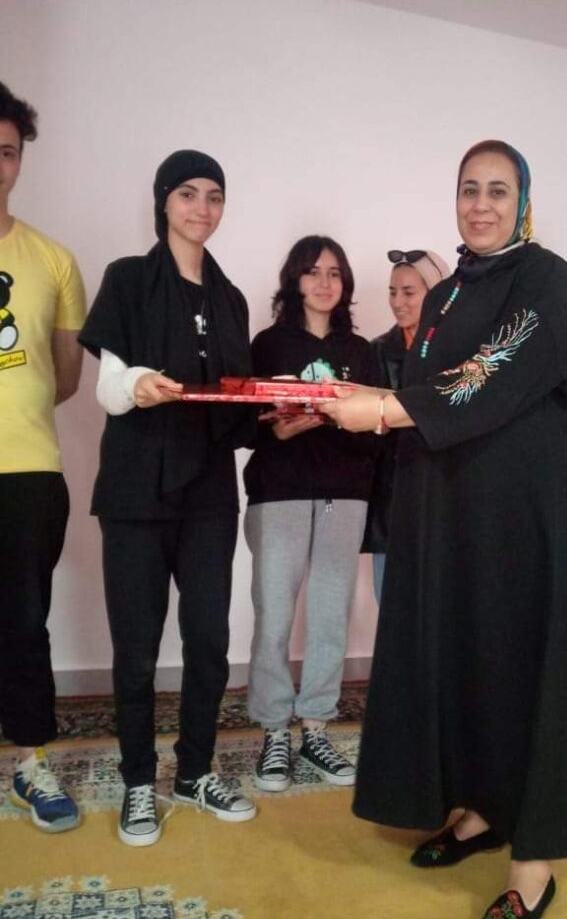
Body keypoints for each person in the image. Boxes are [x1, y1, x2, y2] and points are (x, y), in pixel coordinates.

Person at [324, 140, 567, 919]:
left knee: (528, 663)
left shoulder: (547, 277)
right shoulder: (441, 296)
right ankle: (479, 810)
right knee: (467, 652)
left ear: (523, 202)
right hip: (454, 508)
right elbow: (425, 390)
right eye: (469, 189)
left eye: (498, 190)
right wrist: (356, 396)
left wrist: (384, 410)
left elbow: (494, 369)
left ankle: (533, 864)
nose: (481, 204)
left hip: (529, 511)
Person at [79, 150, 256, 846]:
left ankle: (195, 772)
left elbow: (234, 398)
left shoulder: (230, 298)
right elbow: (108, 387)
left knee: (209, 640)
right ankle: (137, 782)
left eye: (214, 195)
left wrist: (276, 415)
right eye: (188, 193)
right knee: (137, 649)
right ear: (163, 200)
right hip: (135, 492)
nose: (202, 208)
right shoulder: (127, 279)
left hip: (209, 491)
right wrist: (139, 384)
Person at [244, 235, 377, 794]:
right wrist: (275, 430)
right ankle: (275, 731)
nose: (325, 282)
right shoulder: (267, 344)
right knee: (274, 616)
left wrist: (349, 417)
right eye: (313, 272)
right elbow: (243, 421)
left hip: (344, 495)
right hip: (279, 493)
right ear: (294, 280)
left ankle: (316, 728)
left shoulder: (361, 350)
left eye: (334, 273)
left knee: (329, 617)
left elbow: (380, 424)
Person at [0, 82, 86, 833]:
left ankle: (29, 763)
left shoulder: (54, 260)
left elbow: (64, 378)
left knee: (24, 621)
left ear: (20, 160)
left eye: (6, 151)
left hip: (28, 470)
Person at [362, 248, 449, 601]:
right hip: (393, 498)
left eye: (409, 292)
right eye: (392, 292)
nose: (398, 302)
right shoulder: (376, 351)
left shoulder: (459, 352)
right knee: (391, 602)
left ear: (437, 294)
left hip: (444, 496)